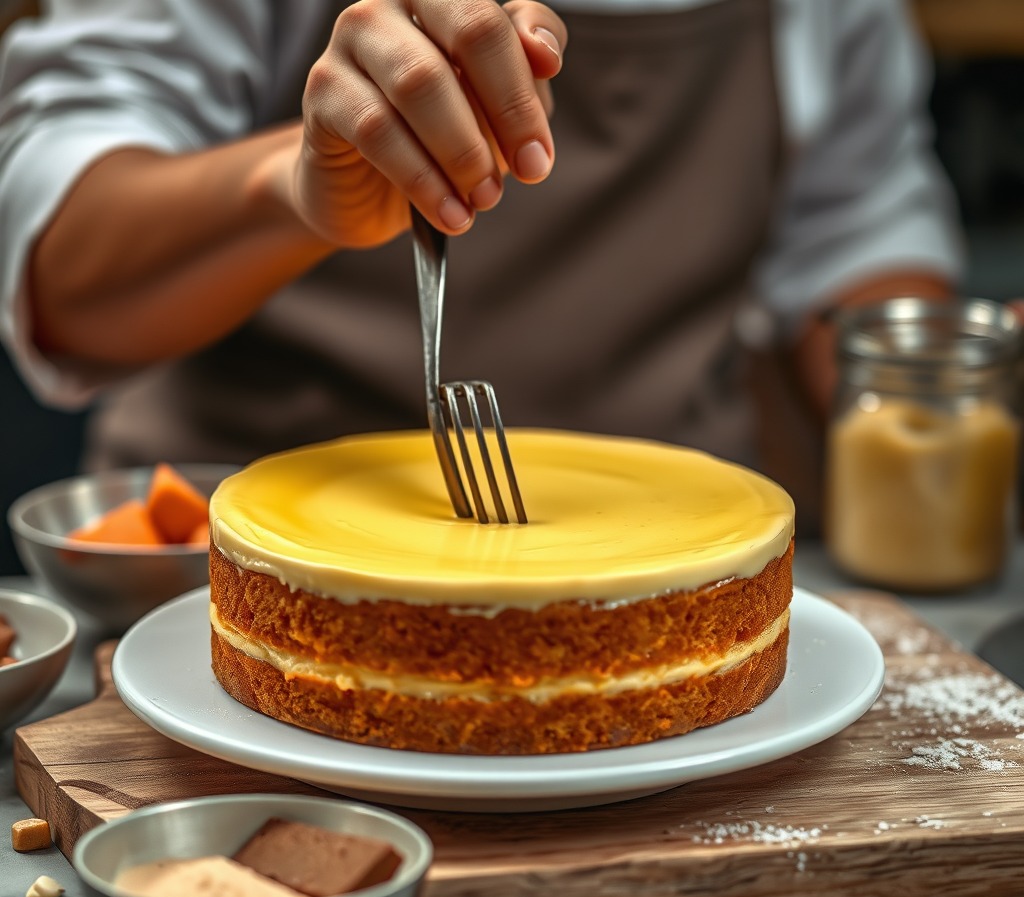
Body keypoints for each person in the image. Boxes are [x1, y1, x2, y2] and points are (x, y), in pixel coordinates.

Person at [0, 0, 962, 532]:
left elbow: (860, 243)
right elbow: (62, 283)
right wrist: (292, 187)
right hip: (227, 587)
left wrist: (943, 407)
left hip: (677, 589)